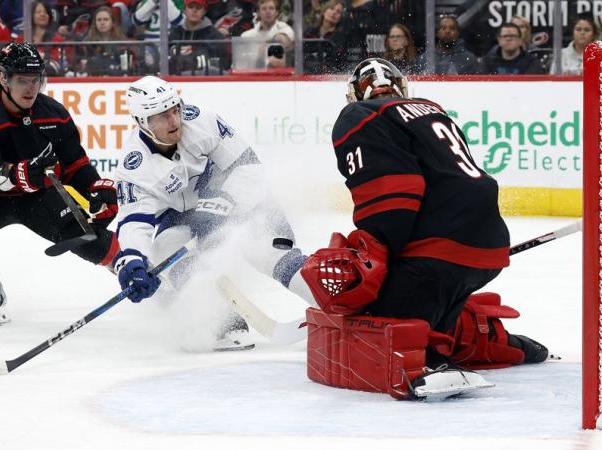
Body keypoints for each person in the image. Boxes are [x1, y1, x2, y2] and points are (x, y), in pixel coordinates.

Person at [302, 58, 548, 398]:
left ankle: (433, 355)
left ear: (355, 94)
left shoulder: (359, 115)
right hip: (488, 245)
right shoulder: (431, 109)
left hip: (436, 250)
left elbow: (394, 197)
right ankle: (493, 341)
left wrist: (375, 247)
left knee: (378, 321)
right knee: (433, 301)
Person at [112, 76, 310, 350]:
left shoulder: (202, 121)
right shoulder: (134, 168)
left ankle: (326, 295)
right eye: (162, 116)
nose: (174, 121)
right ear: (143, 122)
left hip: (238, 197)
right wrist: (133, 260)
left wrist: (224, 203)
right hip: (180, 216)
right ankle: (223, 323)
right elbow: (135, 221)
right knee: (165, 251)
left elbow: (249, 167)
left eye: (175, 110)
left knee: (262, 246)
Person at [0, 43, 119, 327]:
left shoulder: (54, 114)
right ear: (3, 78)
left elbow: (75, 165)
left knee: (79, 232)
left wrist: (97, 189)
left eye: (36, 80)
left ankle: (126, 265)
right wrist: (17, 174)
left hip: (33, 196)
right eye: (22, 80)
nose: (30, 88)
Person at [169, 0, 227, 75]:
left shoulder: (214, 34)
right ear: (184, 10)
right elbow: (168, 54)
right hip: (176, 78)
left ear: (204, 12)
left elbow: (217, 62)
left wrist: (188, 52)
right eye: (191, 7)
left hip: (204, 80)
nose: (194, 11)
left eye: (198, 8)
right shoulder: (176, 32)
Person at [16, 1, 69, 76]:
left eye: (45, 12)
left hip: (50, 78)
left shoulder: (57, 39)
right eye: (38, 12)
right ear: (31, 16)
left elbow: (58, 64)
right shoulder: (22, 39)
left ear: (49, 16)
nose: (43, 14)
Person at [73, 5, 129, 76]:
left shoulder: (121, 42)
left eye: (106, 19)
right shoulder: (87, 42)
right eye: (99, 20)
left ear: (112, 22)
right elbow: (80, 65)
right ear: (95, 23)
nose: (102, 23)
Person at [240, 0, 294, 68]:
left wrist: (264, 47)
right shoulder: (246, 36)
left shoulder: (285, 28)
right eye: (264, 9)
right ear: (258, 12)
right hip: (252, 75)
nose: (268, 12)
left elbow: (283, 40)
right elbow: (240, 64)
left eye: (271, 8)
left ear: (277, 12)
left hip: (279, 75)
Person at [480, 22, 544, 75]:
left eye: (513, 36)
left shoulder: (532, 62)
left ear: (520, 40)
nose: (508, 39)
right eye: (505, 36)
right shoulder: (487, 62)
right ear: (499, 40)